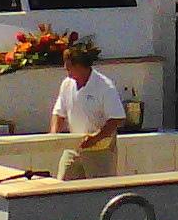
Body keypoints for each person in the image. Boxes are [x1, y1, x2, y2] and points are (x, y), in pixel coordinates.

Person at [49, 45, 127, 181]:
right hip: (73, 147)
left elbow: (116, 118)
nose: (67, 73)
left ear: (80, 66)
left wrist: (95, 138)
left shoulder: (105, 86)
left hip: (100, 149)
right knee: (62, 186)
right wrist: (54, 134)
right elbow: (59, 112)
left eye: (69, 69)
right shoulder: (67, 84)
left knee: (99, 190)